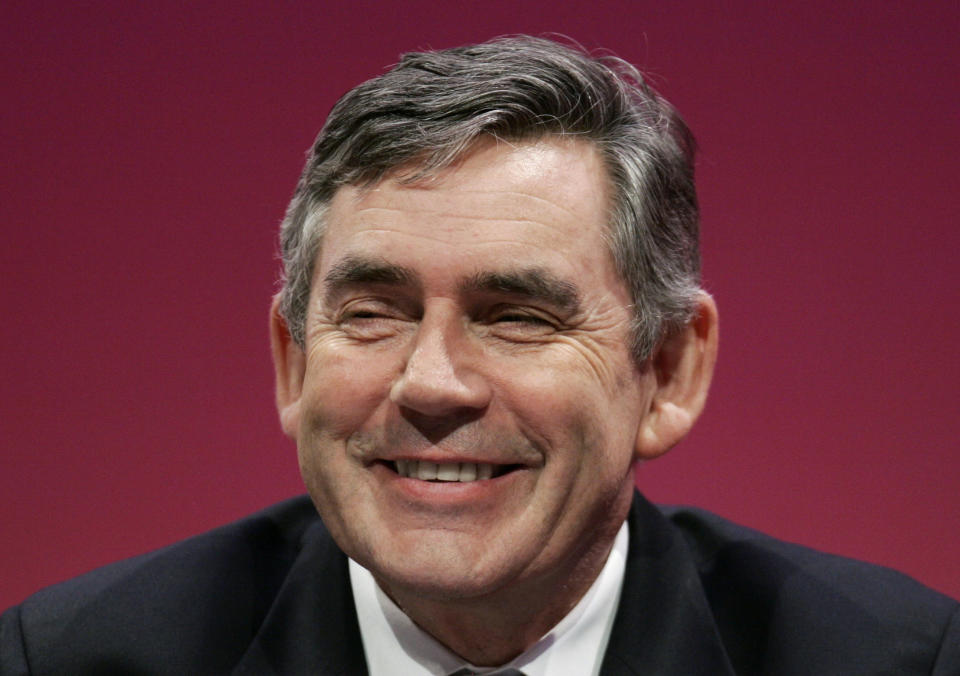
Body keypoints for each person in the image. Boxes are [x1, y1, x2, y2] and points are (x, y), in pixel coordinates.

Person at [2, 36, 957, 676]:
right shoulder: (72, 659)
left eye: (518, 317)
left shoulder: (897, 662)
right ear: (292, 363)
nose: (432, 383)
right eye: (373, 312)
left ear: (666, 370)